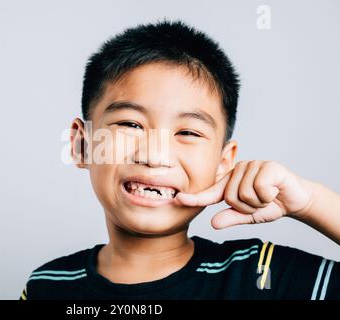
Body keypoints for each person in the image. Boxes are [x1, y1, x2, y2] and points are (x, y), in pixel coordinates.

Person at [20, 20, 340, 300]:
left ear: (223, 162)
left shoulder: (264, 275)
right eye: (131, 124)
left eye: (188, 132)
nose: (156, 155)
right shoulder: (47, 286)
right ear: (82, 145)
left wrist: (310, 202)